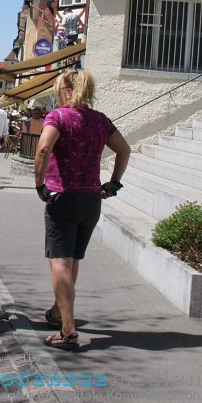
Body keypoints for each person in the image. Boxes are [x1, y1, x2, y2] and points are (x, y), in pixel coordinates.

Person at [34, 70, 130, 350]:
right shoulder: (100, 120)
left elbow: (43, 149)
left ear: (64, 90)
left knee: (59, 262)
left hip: (62, 197)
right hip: (91, 199)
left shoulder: (59, 117)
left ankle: (68, 331)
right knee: (73, 260)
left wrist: (39, 184)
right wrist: (113, 183)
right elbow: (124, 150)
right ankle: (56, 313)